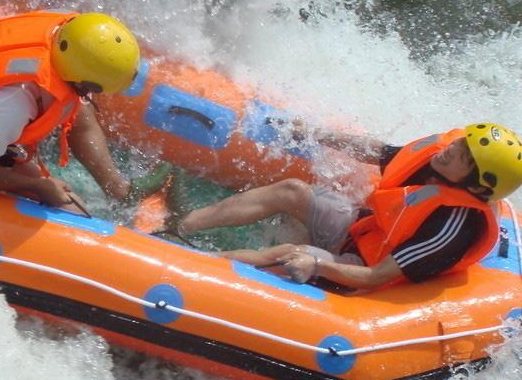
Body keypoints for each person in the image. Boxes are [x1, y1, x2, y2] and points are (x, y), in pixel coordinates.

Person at [172, 122, 522, 289]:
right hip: (363, 228)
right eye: (459, 144)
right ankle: (179, 226)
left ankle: (181, 266)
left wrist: (317, 266)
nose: (450, 150)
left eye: (462, 155)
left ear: (476, 185)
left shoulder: (452, 225)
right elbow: (378, 151)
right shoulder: (440, 160)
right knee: (293, 190)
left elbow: (377, 276)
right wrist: (318, 135)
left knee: (289, 252)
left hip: (366, 270)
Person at [0, 11, 170, 209]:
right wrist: (38, 186)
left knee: (77, 110)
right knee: (70, 205)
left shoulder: (65, 36)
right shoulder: (14, 105)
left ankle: (118, 189)